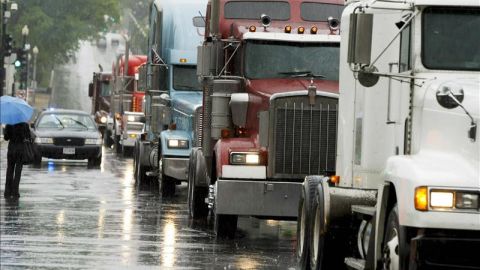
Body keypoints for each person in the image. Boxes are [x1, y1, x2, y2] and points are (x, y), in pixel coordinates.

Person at [3, 122, 31, 199]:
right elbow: (28, 136)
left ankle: (7, 191)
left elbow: (6, 138)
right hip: (20, 150)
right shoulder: (25, 124)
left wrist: (6, 131)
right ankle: (15, 192)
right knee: (18, 171)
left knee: (9, 170)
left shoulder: (9, 124)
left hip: (11, 149)